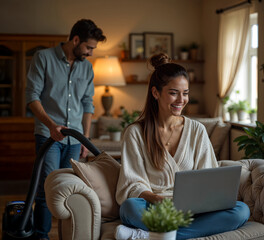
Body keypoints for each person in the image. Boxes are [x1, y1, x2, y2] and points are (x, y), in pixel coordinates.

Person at [115, 53, 250, 240]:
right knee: (129, 208)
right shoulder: (135, 133)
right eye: (173, 93)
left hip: (193, 209)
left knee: (241, 210)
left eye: (185, 93)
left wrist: (200, 202)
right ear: (155, 93)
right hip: (153, 206)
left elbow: (208, 175)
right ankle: (175, 231)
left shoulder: (197, 130)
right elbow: (132, 183)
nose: (181, 100)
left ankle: (153, 234)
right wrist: (158, 199)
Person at [25, 19, 106, 240]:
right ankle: (41, 236)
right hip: (48, 136)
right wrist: (52, 126)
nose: (90, 53)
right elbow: (32, 97)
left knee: (71, 191)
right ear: (75, 39)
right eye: (88, 47)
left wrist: (85, 139)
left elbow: (88, 103)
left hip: (74, 139)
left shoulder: (87, 67)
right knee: (46, 189)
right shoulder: (44, 58)